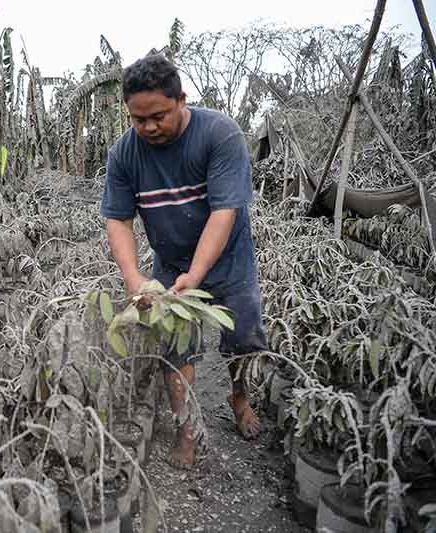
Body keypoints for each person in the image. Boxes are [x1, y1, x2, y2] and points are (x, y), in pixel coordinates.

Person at [100, 54, 268, 470]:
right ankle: (185, 428)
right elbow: (118, 219)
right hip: (171, 261)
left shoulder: (220, 135)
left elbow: (224, 212)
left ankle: (239, 396)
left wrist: (199, 273)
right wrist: (134, 277)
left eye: (158, 116)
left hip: (229, 258)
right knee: (176, 347)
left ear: (182, 101)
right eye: (138, 120)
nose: (149, 127)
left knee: (244, 338)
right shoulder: (124, 154)